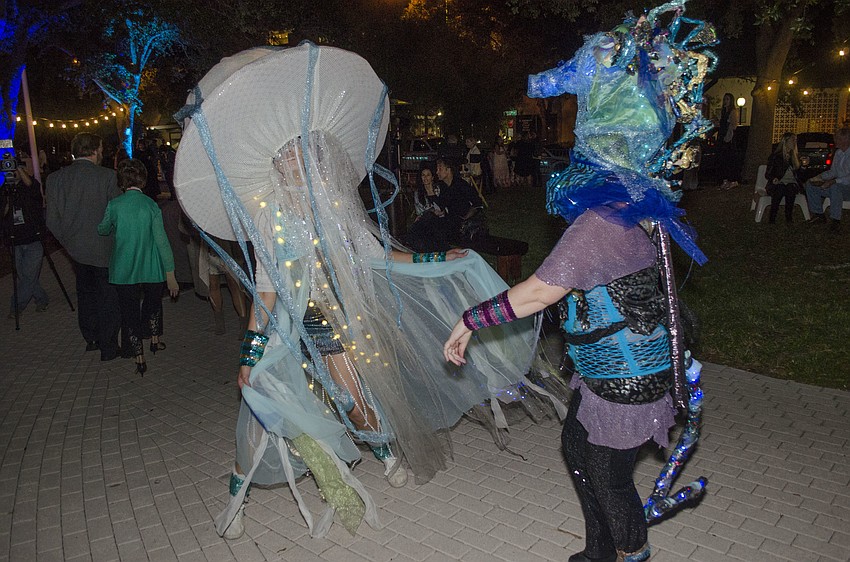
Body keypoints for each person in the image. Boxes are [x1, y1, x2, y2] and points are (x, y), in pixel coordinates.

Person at [173, 44, 551, 540]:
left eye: (306, 154)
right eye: (291, 157)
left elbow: (377, 256)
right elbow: (267, 288)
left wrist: (437, 258)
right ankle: (237, 496)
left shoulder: (336, 206)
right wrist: (250, 353)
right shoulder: (269, 217)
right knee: (264, 413)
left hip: (342, 323)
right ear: (278, 164)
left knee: (354, 396)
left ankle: (383, 449)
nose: (301, 163)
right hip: (292, 329)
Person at [445, 6, 713, 561]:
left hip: (626, 375)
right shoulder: (632, 205)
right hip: (609, 369)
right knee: (576, 449)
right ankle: (598, 551)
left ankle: (630, 554)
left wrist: (470, 320)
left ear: (599, 142)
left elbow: (541, 291)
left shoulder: (601, 222)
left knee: (608, 476)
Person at [97, 159, 179, 374]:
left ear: (121, 181)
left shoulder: (115, 205)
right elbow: (162, 241)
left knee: (129, 312)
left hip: (124, 268)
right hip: (151, 266)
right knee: (152, 305)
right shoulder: (151, 205)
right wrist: (170, 272)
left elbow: (103, 229)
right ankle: (154, 339)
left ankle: (138, 356)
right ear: (142, 179)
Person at [46, 132, 122, 360]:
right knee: (107, 297)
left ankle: (91, 338)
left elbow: (52, 220)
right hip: (104, 247)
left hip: (75, 250)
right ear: (95, 150)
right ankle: (109, 346)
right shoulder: (108, 177)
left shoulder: (55, 179)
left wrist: (68, 243)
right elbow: (117, 215)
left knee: (86, 294)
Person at [2, 164, 49, 318]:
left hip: (33, 238)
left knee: (28, 275)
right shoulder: (4, 190)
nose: (13, 173)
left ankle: (16, 306)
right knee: (25, 277)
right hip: (14, 240)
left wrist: (17, 167)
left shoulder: (30, 186)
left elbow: (32, 187)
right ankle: (42, 298)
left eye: (16, 170)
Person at [805, 127, 850, 231]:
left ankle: (835, 220)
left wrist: (834, 181)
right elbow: (833, 172)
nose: (835, 141)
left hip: (847, 188)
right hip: (839, 187)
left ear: (845, 139)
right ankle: (818, 215)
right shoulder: (839, 153)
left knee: (835, 187)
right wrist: (819, 177)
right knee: (811, 184)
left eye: (838, 138)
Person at [435, 157, 485, 243]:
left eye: (440, 169)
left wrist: (465, 218)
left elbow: (477, 204)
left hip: (463, 222)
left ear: (448, 170)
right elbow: (442, 206)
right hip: (452, 220)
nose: (437, 172)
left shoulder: (461, 185)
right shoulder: (443, 186)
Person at [405, 165, 450, 252]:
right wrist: (430, 211)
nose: (425, 178)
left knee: (428, 218)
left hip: (440, 220)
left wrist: (431, 193)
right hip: (425, 220)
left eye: (428, 175)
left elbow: (441, 209)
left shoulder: (439, 188)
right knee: (425, 219)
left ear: (432, 177)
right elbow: (420, 211)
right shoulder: (418, 192)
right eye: (423, 175)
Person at [764, 132, 802, 224]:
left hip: (792, 183)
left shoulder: (796, 157)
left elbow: (801, 176)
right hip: (778, 183)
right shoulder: (776, 157)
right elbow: (768, 173)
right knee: (780, 188)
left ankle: (788, 217)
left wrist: (803, 167)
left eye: (795, 140)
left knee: (790, 188)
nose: (794, 142)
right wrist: (774, 179)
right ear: (785, 142)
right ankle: (772, 216)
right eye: (792, 140)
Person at [717, 92, 739, 189]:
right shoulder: (724, 111)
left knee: (729, 160)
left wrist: (727, 138)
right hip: (722, 137)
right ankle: (725, 180)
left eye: (727, 99)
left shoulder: (732, 112)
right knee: (723, 160)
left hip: (728, 139)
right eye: (725, 99)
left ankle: (732, 180)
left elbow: (733, 126)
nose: (725, 101)